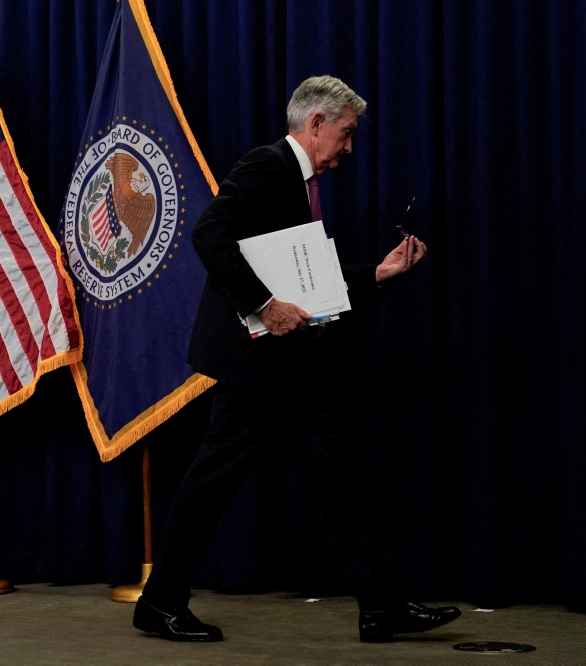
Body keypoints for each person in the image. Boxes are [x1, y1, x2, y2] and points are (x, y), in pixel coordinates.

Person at [132, 76, 459, 643]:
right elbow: (209, 234)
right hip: (254, 360)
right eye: (346, 134)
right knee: (212, 482)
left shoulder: (299, 181)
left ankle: (382, 605)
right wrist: (264, 305)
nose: (348, 149)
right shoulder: (268, 165)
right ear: (316, 123)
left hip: (295, 362)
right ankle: (159, 603)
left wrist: (378, 273)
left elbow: (304, 281)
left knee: (338, 479)